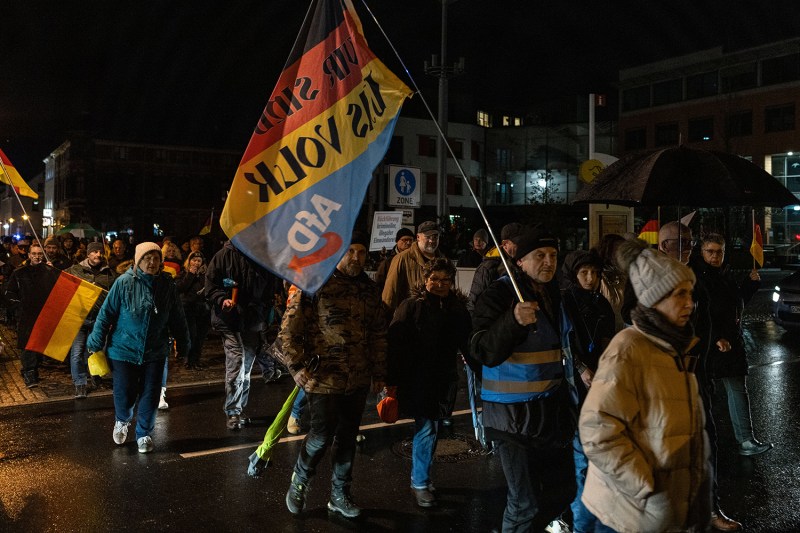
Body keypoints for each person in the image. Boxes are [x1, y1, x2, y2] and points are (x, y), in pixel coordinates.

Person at [579, 237, 711, 533]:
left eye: (690, 294)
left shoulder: (675, 347)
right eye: (678, 294)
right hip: (630, 518)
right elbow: (597, 430)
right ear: (653, 299)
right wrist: (646, 486)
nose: (689, 303)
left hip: (665, 517)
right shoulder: (630, 348)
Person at [470, 227, 578, 532]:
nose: (548, 262)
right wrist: (513, 321)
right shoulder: (499, 295)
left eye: (553, 255)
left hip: (548, 412)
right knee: (524, 502)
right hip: (511, 418)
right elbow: (481, 349)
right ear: (520, 261)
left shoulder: (554, 294)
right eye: (540, 256)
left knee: (558, 494)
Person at [280, 231, 387, 519]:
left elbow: (378, 332)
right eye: (350, 251)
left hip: (359, 377)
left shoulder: (368, 288)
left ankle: (339, 494)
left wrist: (379, 373)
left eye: (362, 252)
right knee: (320, 436)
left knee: (348, 437)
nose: (356, 257)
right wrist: (296, 367)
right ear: (338, 252)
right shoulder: (315, 283)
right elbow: (289, 330)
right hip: (324, 377)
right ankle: (300, 480)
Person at [86, 242, 190, 453]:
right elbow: (106, 314)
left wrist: (185, 344)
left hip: (155, 351)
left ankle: (144, 433)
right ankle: (122, 420)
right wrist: (95, 343)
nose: (151, 262)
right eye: (146, 258)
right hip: (123, 350)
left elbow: (178, 317)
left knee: (150, 395)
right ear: (137, 260)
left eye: (155, 258)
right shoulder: (123, 283)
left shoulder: (167, 286)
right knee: (124, 392)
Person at [387, 258, 471, 508]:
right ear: (425, 280)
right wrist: (390, 381)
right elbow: (394, 343)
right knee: (427, 428)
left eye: (445, 280)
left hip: (444, 379)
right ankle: (420, 482)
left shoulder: (457, 309)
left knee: (434, 426)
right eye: (434, 279)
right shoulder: (411, 306)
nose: (440, 284)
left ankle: (422, 478)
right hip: (418, 378)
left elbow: (467, 340)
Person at [693, 233, 772, 456]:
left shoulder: (723, 274)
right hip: (711, 343)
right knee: (704, 392)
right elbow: (700, 312)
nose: (715, 256)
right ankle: (703, 443)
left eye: (719, 251)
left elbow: (736, 305)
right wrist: (716, 336)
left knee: (736, 387)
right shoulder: (698, 276)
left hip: (731, 341)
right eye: (710, 251)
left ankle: (745, 440)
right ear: (702, 251)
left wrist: (750, 285)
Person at [559, 250, 615, 533]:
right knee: (580, 459)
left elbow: (607, 337)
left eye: (594, 273)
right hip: (573, 384)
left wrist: (603, 365)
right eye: (584, 273)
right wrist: (581, 368)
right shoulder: (564, 302)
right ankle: (580, 522)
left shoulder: (602, 303)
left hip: (599, 385)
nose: (590, 279)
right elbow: (562, 343)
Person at [204, 240, 276, 431]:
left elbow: (270, 288)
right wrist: (222, 299)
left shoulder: (262, 257)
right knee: (237, 361)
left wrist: (264, 311)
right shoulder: (222, 256)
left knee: (245, 368)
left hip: (253, 321)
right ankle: (233, 410)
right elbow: (210, 286)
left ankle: (239, 408)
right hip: (229, 320)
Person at [66, 241, 117, 398]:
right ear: (88, 254)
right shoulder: (75, 270)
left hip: (98, 320)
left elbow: (116, 292)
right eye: (94, 252)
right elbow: (60, 279)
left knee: (95, 351)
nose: (98, 255)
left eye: (100, 252)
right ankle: (80, 384)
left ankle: (96, 376)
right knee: (76, 353)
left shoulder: (109, 274)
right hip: (80, 318)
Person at [4, 242, 56, 388]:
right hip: (26, 315)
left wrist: (53, 272)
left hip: (43, 314)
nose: (37, 257)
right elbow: (9, 292)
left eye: (40, 254)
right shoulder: (19, 273)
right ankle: (29, 373)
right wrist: (18, 306)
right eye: (34, 254)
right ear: (29, 255)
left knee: (39, 344)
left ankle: (31, 369)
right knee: (28, 344)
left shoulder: (48, 271)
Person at [382, 220, 446, 316]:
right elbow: (389, 294)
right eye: (428, 237)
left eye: (435, 237)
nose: (432, 240)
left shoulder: (443, 260)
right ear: (418, 237)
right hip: (409, 319)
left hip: (435, 319)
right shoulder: (402, 259)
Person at [467, 222, 521, 313]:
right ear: (505, 244)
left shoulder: (522, 264)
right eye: (516, 242)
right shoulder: (488, 266)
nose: (521, 246)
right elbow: (473, 299)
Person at [176, 250, 211, 370]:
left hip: (202, 308)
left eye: (199, 261)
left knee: (200, 336)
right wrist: (190, 274)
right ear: (189, 261)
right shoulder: (183, 273)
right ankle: (188, 359)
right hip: (188, 307)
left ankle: (196, 359)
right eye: (194, 260)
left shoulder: (206, 274)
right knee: (191, 334)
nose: (196, 263)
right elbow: (180, 288)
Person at [595, 233, 627, 333]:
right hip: (605, 333)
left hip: (623, 331)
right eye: (618, 250)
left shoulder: (626, 275)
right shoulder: (598, 276)